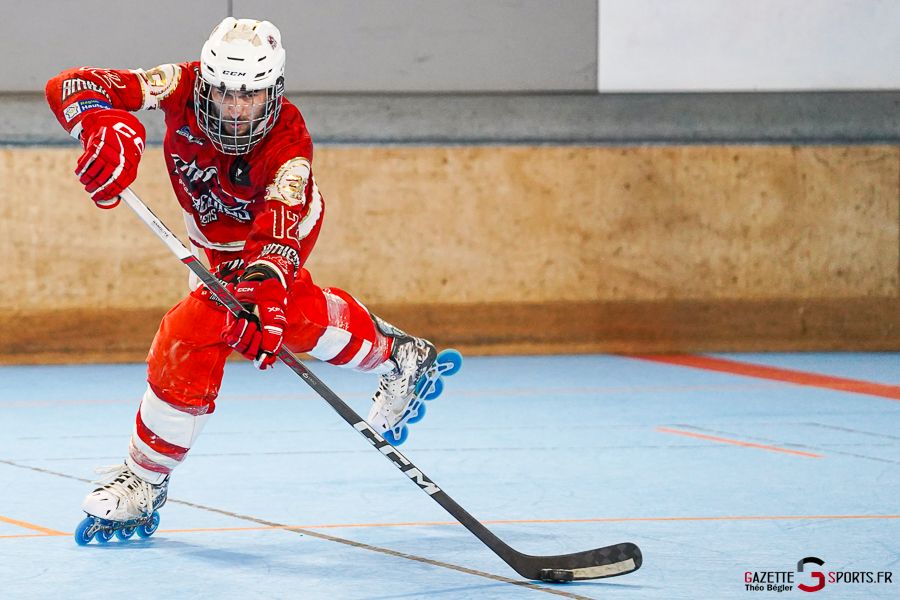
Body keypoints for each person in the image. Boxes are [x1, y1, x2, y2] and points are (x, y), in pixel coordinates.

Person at [46, 17, 458, 538]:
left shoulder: (289, 144)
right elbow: (70, 84)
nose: (237, 108)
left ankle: (144, 479)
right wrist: (102, 125)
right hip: (212, 240)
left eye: (251, 95)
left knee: (195, 330)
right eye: (224, 93)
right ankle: (398, 353)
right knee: (286, 321)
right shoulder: (179, 84)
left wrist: (263, 297)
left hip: (277, 232)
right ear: (205, 83)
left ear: (274, 90)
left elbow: (277, 234)